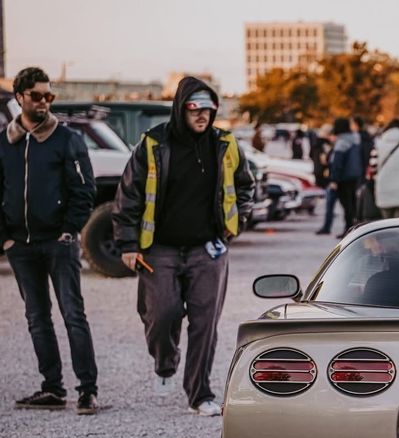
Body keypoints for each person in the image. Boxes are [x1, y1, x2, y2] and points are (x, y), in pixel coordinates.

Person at [112, 76, 254, 416]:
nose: (202, 115)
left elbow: (246, 188)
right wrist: (128, 244)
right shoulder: (153, 144)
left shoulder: (225, 143)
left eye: (209, 108)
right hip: (158, 248)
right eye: (194, 107)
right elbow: (128, 196)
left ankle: (200, 394)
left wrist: (236, 226)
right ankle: (165, 362)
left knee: (205, 324)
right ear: (180, 108)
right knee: (162, 314)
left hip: (208, 249)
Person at [1, 66, 99, 414]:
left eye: (48, 96)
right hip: (21, 246)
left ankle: (88, 390)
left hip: (59, 242)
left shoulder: (66, 138)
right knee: (36, 317)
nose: (44, 102)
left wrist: (70, 230)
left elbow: (85, 189)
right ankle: (53, 389)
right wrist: (6, 239)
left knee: (73, 314)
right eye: (37, 96)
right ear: (20, 98)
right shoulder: (5, 141)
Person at [318, 117, 362, 236]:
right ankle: (353, 227)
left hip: (343, 178)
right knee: (352, 204)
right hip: (354, 176)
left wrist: (334, 180)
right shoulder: (356, 139)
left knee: (346, 205)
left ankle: (347, 229)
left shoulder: (342, 142)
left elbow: (337, 163)